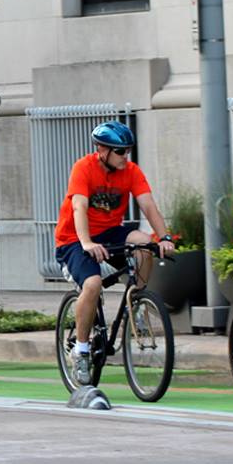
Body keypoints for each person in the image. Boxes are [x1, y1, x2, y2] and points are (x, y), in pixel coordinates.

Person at [53, 121, 174, 384]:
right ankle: (82, 351)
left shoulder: (130, 171)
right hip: (74, 238)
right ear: (102, 150)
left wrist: (163, 237)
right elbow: (79, 208)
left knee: (143, 244)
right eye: (120, 152)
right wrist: (86, 243)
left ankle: (136, 305)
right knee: (93, 284)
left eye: (127, 151)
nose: (125, 157)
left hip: (109, 233)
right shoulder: (83, 168)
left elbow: (148, 205)